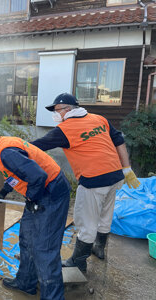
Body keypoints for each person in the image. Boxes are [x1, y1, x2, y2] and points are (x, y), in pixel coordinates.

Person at [31, 93, 141, 272]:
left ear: (67, 109)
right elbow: (119, 140)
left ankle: (78, 262)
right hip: (115, 176)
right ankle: (99, 248)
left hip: (94, 180)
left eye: (56, 110)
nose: (55, 114)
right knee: (105, 215)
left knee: (86, 221)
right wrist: (126, 168)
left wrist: (11, 147)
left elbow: (36, 145)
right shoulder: (99, 119)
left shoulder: (65, 129)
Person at [0, 129, 71, 300]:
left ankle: (53, 297)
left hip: (51, 192)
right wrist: (4, 191)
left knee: (45, 248)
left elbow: (39, 176)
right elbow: (16, 174)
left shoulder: (6, 153)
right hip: (39, 192)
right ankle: (26, 283)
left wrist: (32, 199)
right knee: (27, 238)